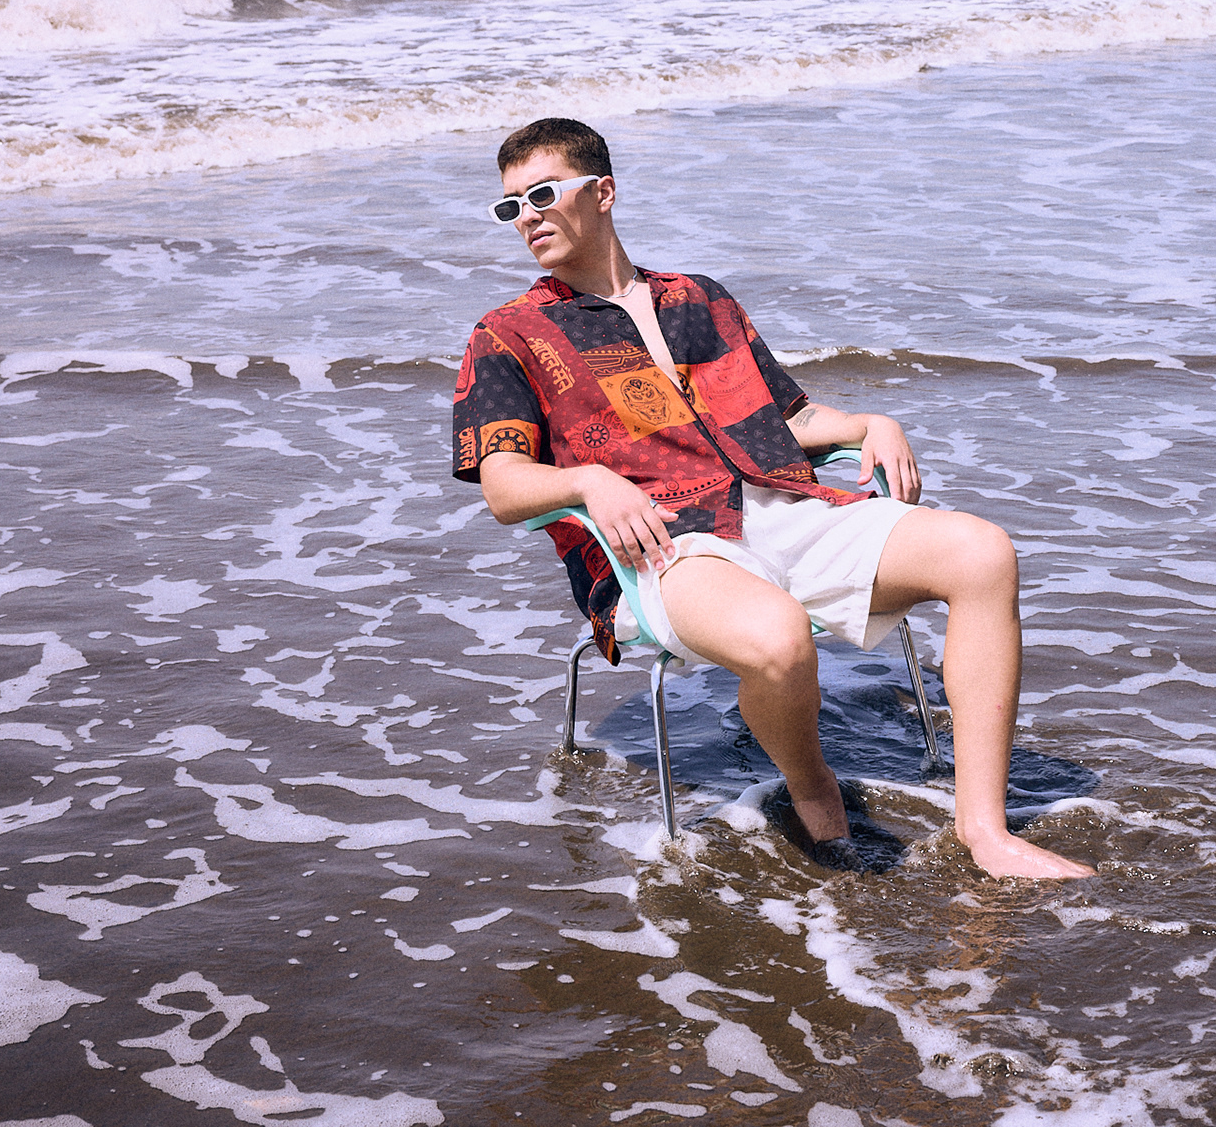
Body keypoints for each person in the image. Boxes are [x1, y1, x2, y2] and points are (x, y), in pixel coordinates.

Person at [452, 117, 1093, 880]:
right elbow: (504, 485)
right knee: (781, 638)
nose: (525, 216)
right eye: (510, 205)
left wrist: (869, 422)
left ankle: (984, 831)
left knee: (981, 553)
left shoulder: (699, 299)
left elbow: (783, 419)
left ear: (604, 191)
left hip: (782, 504)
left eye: (542, 194)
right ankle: (812, 785)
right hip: (665, 543)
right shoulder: (510, 334)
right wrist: (586, 479)